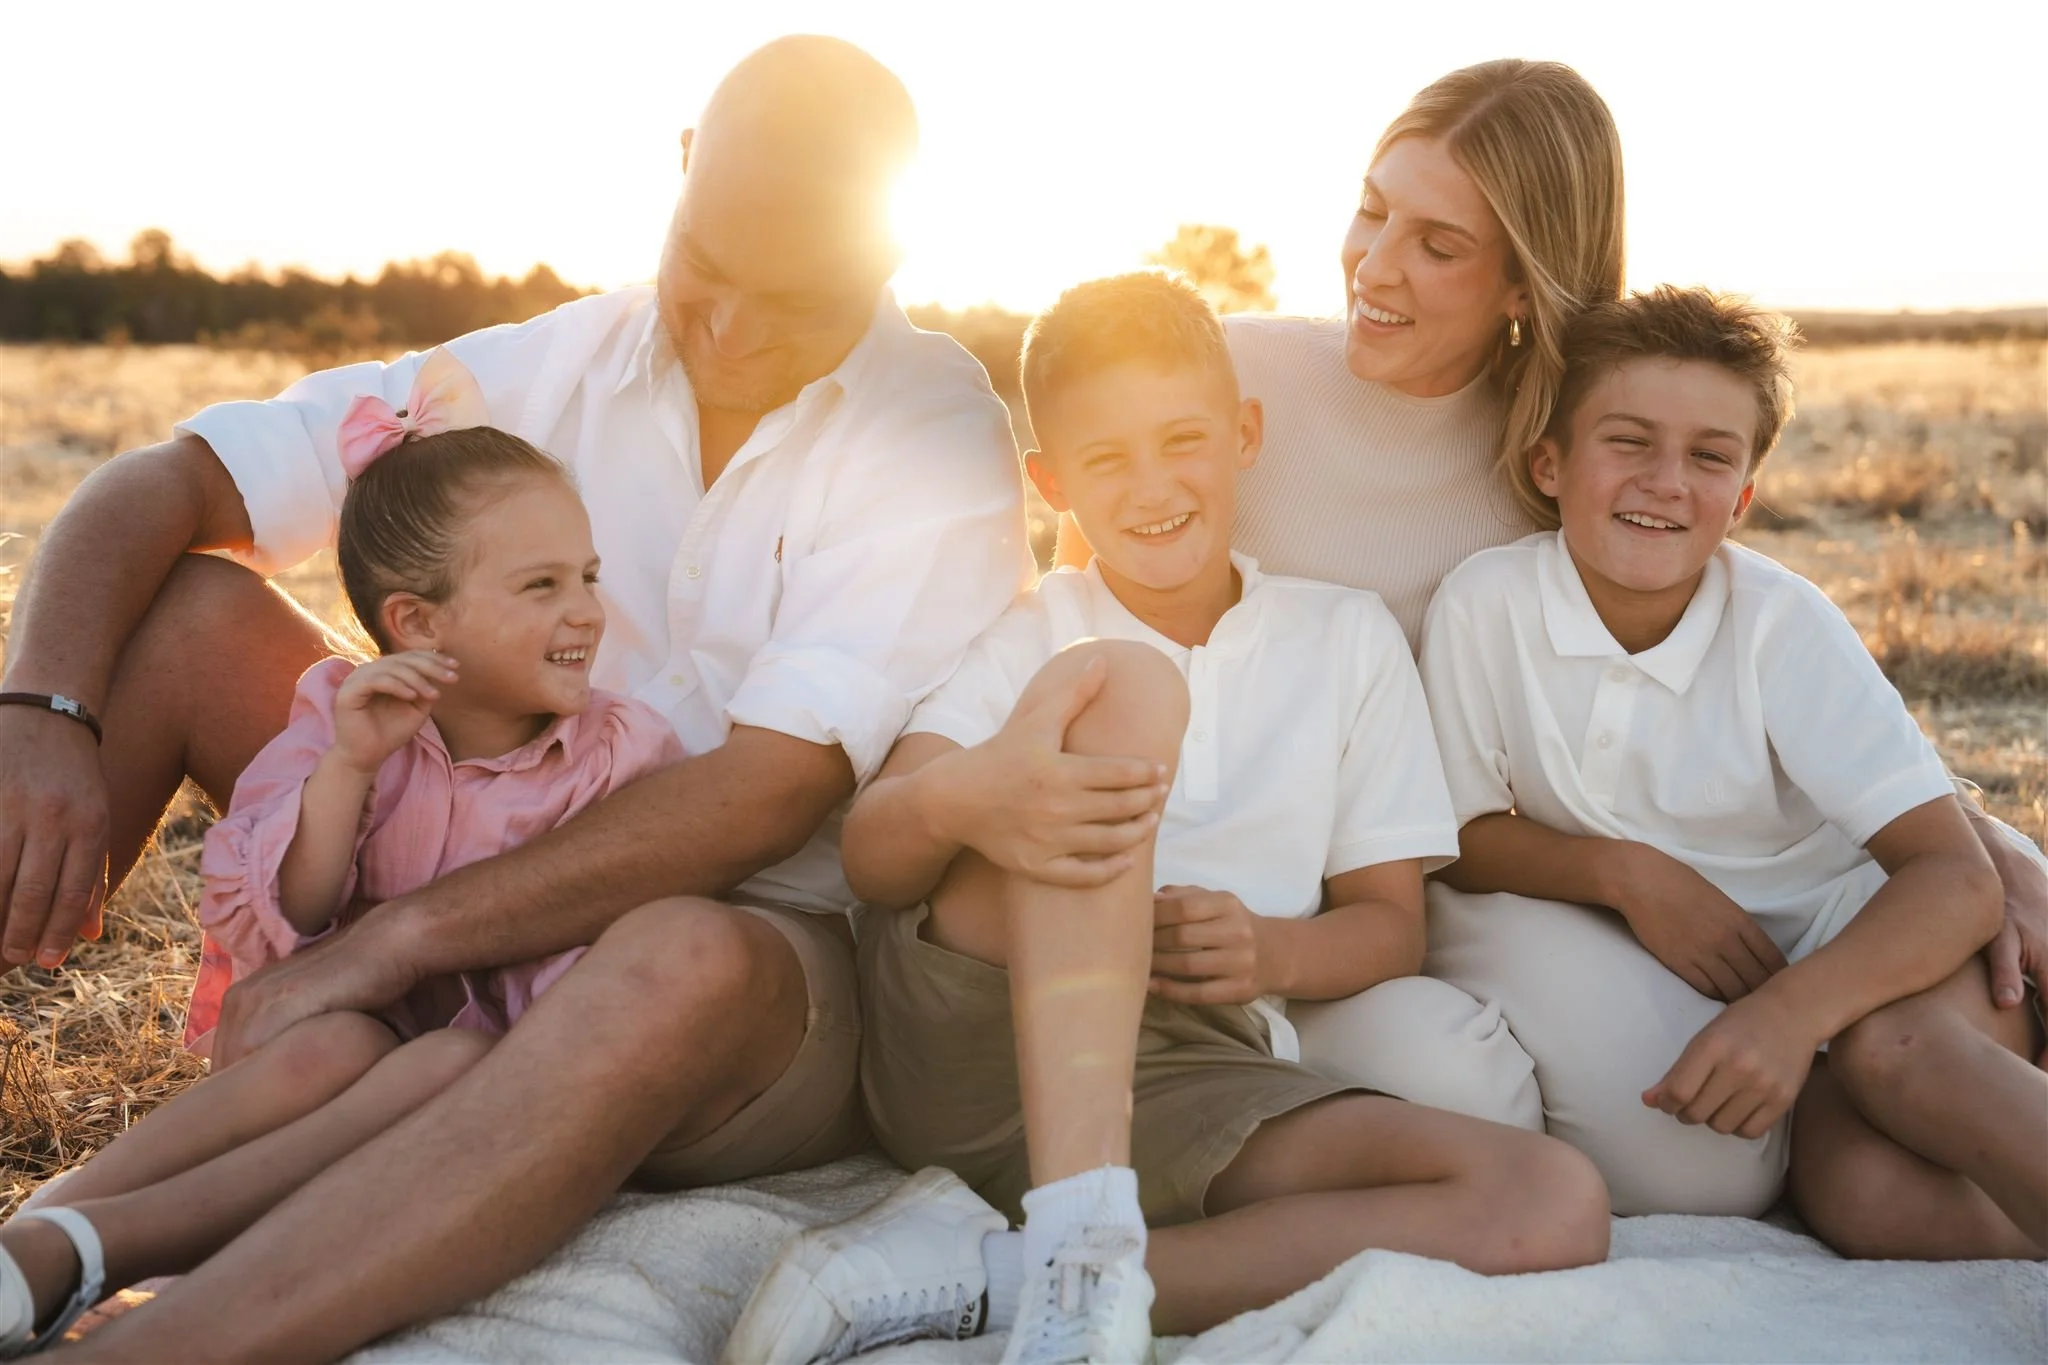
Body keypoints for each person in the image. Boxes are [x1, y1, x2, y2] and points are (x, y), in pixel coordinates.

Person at [0, 36, 1044, 1363]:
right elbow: (168, 479)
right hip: (456, 834)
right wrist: (39, 708)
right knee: (184, 611)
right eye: (704, 268)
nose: (724, 330)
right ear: (679, 168)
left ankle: (159, 1349)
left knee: (681, 949)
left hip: (749, 982)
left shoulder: (932, 435)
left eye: (783, 302)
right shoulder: (554, 358)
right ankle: (39, 1253)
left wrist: (393, 944)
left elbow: (764, 795)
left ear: (887, 259)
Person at [1051, 56, 2048, 1143]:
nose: (1374, 267)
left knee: (1713, 1163)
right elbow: (1082, 598)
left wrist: (1983, 846)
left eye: (1436, 246)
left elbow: (1751, 666)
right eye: (1372, 212)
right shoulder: (1226, 384)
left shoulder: (1572, 460)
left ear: (1521, 283)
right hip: (1289, 861)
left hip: (1415, 883)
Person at [722, 272, 1610, 1365]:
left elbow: (1389, 926)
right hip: (974, 1036)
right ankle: (1082, 1226)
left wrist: (1271, 949)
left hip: (1188, 1068)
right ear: (1052, 485)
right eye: (1105, 459)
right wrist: (975, 796)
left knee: (1546, 1200)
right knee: (1126, 684)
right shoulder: (1031, 631)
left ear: (1243, 434)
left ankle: (1002, 1276)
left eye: (1180, 439)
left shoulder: (1344, 639)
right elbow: (875, 852)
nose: (1151, 486)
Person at [0, 364, 697, 1354]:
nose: (585, 611)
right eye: (542, 586)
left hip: (492, 1072)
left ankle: (111, 1251)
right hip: (328, 1037)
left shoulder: (618, 752)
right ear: (416, 621)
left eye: (586, 577)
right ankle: (43, 1232)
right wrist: (349, 771)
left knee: (442, 1059)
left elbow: (604, 960)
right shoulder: (343, 715)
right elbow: (288, 911)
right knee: (338, 1049)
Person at [1418, 284, 2046, 1252]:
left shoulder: (1777, 622)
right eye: (1627, 441)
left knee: (1896, 1051)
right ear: (1549, 463)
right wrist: (1625, 875)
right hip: (1765, 999)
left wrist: (1788, 1017)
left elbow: (1951, 874)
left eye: (1708, 456)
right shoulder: (1483, 603)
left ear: (1742, 496)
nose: (1665, 480)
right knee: (1855, 1198)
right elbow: (1459, 835)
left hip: (1888, 953)